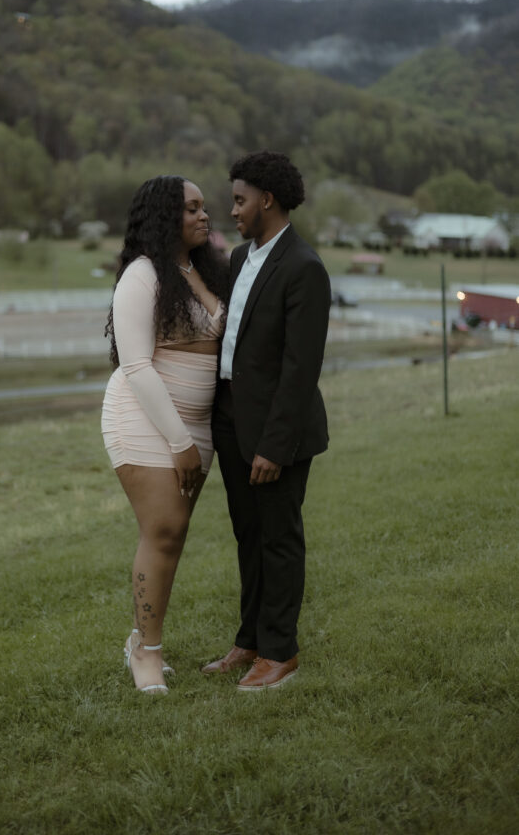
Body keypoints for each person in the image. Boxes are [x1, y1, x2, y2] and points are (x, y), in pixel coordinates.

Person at [203, 151, 331, 691]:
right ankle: (250, 639)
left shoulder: (304, 268)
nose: (232, 210)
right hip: (230, 418)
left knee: (278, 538)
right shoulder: (239, 258)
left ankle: (280, 653)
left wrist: (274, 446)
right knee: (248, 535)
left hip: (278, 431)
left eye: (239, 200)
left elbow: (300, 371)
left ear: (267, 200)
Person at [102, 175, 228, 694]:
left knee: (171, 539)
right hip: (147, 420)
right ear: (163, 218)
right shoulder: (142, 275)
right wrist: (178, 443)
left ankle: (141, 639)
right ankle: (147, 654)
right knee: (163, 533)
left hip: (197, 426)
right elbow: (136, 365)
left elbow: (222, 331)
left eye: (204, 208)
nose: (204, 216)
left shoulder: (197, 270)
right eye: (191, 209)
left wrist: (193, 438)